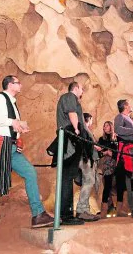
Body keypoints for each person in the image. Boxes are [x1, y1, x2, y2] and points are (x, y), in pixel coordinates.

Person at [0, 75, 54, 251]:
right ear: (10, 84)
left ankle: (38, 214)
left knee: (30, 173)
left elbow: (10, 125)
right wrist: (12, 122)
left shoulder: (13, 103)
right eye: (18, 82)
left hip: (11, 148)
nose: (21, 85)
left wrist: (19, 128)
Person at [55, 81, 86, 225]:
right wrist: (77, 130)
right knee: (67, 177)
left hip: (71, 139)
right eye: (81, 88)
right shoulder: (69, 96)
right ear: (75, 88)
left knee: (68, 176)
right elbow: (72, 113)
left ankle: (65, 214)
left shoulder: (72, 98)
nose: (82, 90)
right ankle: (65, 215)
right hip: (70, 139)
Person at [75, 113, 101, 221]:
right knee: (89, 181)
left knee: (88, 182)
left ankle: (84, 209)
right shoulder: (84, 129)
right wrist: (95, 146)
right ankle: (82, 209)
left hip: (87, 159)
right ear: (88, 119)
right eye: (91, 120)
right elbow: (87, 144)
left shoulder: (83, 129)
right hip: (86, 159)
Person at [97, 120, 127, 218]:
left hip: (118, 163)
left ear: (111, 126)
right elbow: (99, 152)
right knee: (108, 185)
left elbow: (122, 151)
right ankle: (103, 211)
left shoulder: (117, 137)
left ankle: (119, 210)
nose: (104, 127)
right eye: (104, 126)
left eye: (106, 125)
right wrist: (105, 153)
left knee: (120, 185)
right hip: (108, 163)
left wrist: (112, 153)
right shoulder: (101, 139)